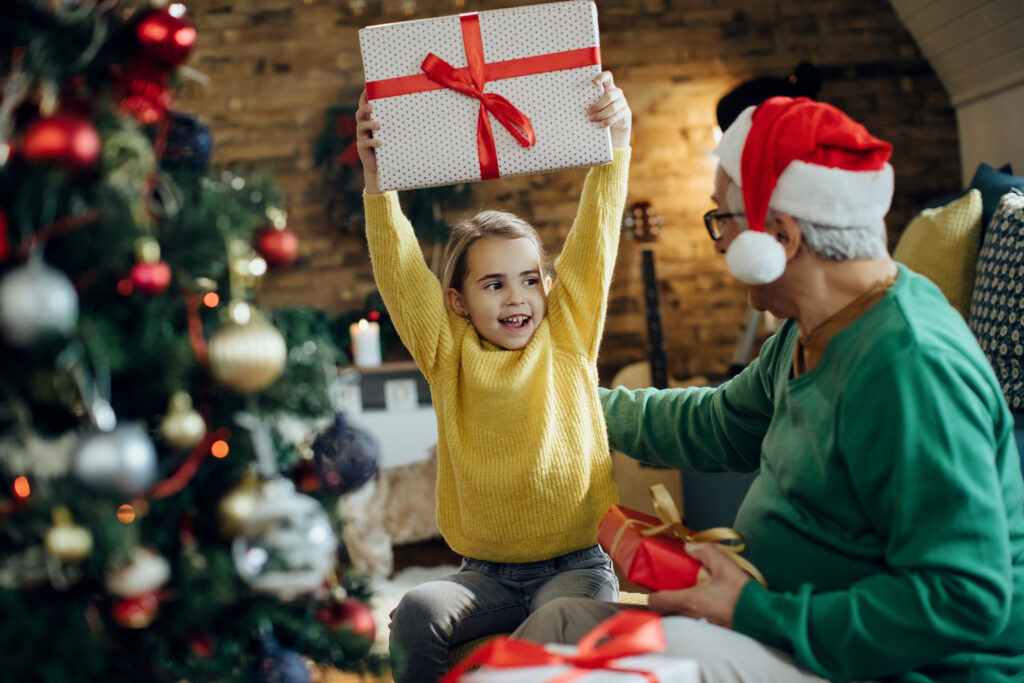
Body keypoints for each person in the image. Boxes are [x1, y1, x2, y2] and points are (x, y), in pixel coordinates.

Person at [512, 96, 1024, 683]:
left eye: (721, 220)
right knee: (560, 620)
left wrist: (750, 610)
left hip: (890, 666)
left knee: (645, 653)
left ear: (781, 234)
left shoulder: (912, 367)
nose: (718, 241)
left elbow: (965, 598)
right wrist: (569, 407)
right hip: (780, 619)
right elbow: (720, 425)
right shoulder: (810, 328)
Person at [355, 71, 633, 683]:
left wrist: (616, 145)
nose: (516, 297)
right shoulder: (445, 351)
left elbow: (597, 235)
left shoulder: (568, 330)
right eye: (493, 283)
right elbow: (401, 270)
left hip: (577, 565)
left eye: (529, 279)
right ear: (457, 301)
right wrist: (377, 181)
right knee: (415, 612)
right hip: (485, 575)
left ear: (548, 287)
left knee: (558, 623)